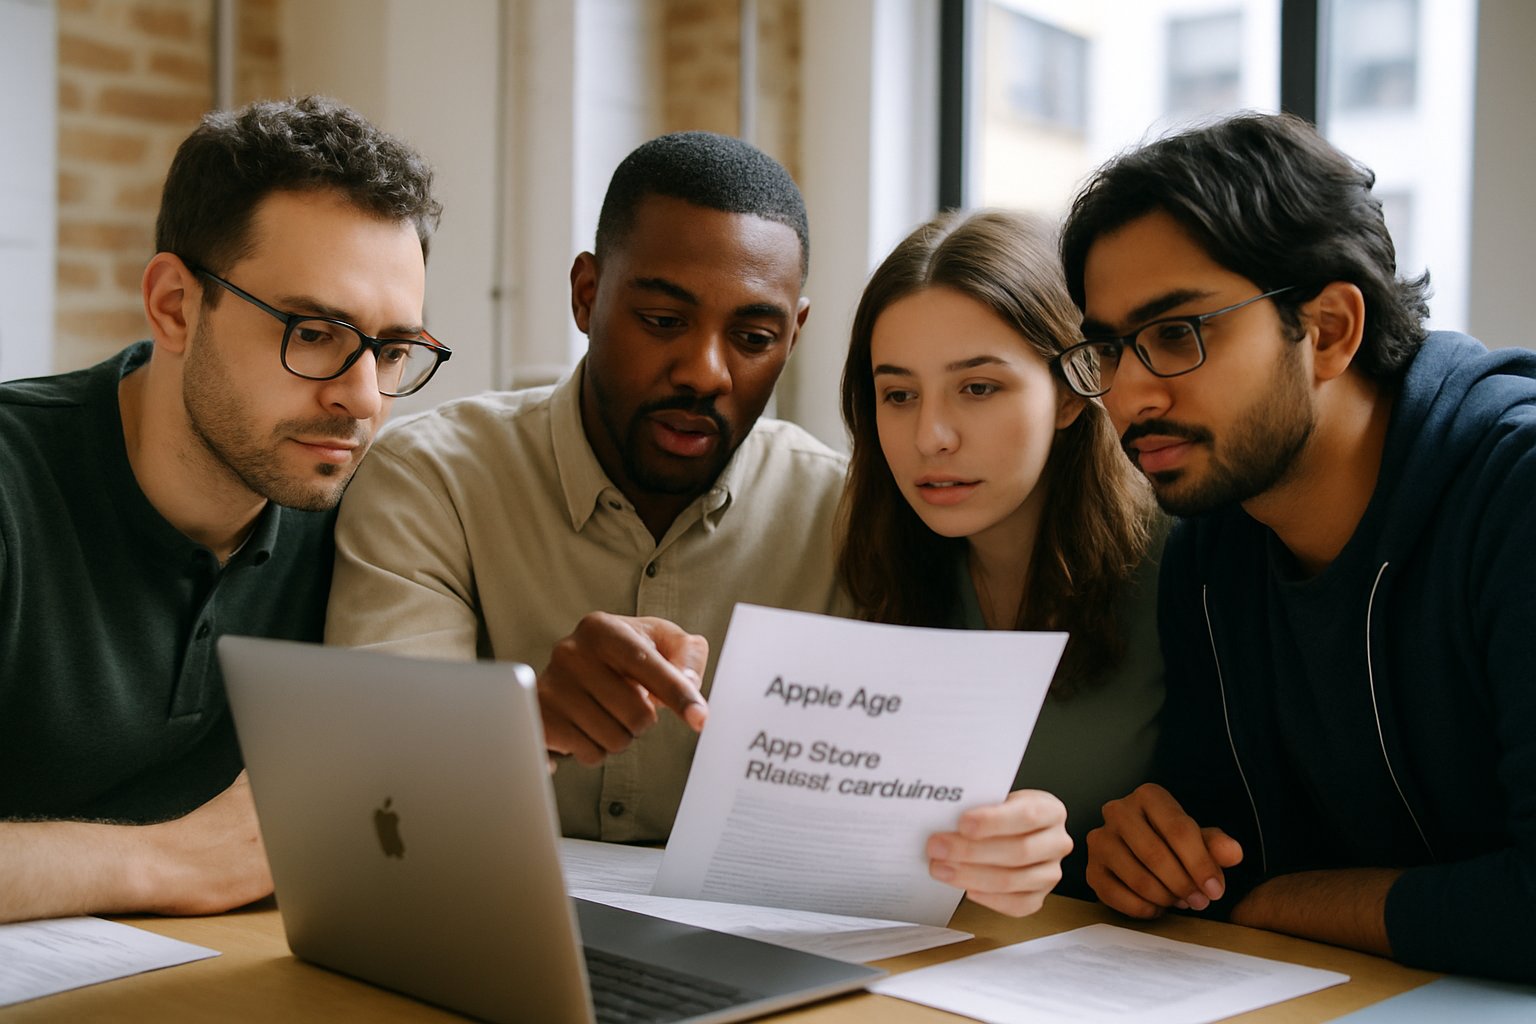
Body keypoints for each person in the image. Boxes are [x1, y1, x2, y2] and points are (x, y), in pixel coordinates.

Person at [1058, 112, 1536, 982]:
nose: (1128, 395)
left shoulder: (1516, 495)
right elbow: (1217, 845)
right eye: (1109, 348)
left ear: (1329, 330)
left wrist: (1278, 902)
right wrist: (1145, 855)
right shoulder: (1212, 543)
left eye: (1177, 334)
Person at [326, 131, 845, 846]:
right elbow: (377, 786)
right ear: (587, 295)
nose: (705, 373)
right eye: (664, 322)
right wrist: (524, 723)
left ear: (795, 335)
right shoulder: (430, 480)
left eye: (754, 338)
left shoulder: (846, 518)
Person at [0, 96, 446, 924]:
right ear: (175, 305)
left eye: (390, 351)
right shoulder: (12, 483)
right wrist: (165, 861)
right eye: (313, 332)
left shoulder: (366, 512)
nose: (361, 400)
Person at [837, 210, 1162, 911]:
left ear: (1075, 392)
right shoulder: (879, 561)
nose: (931, 437)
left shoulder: (1182, 566)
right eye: (898, 394)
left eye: (978, 387)